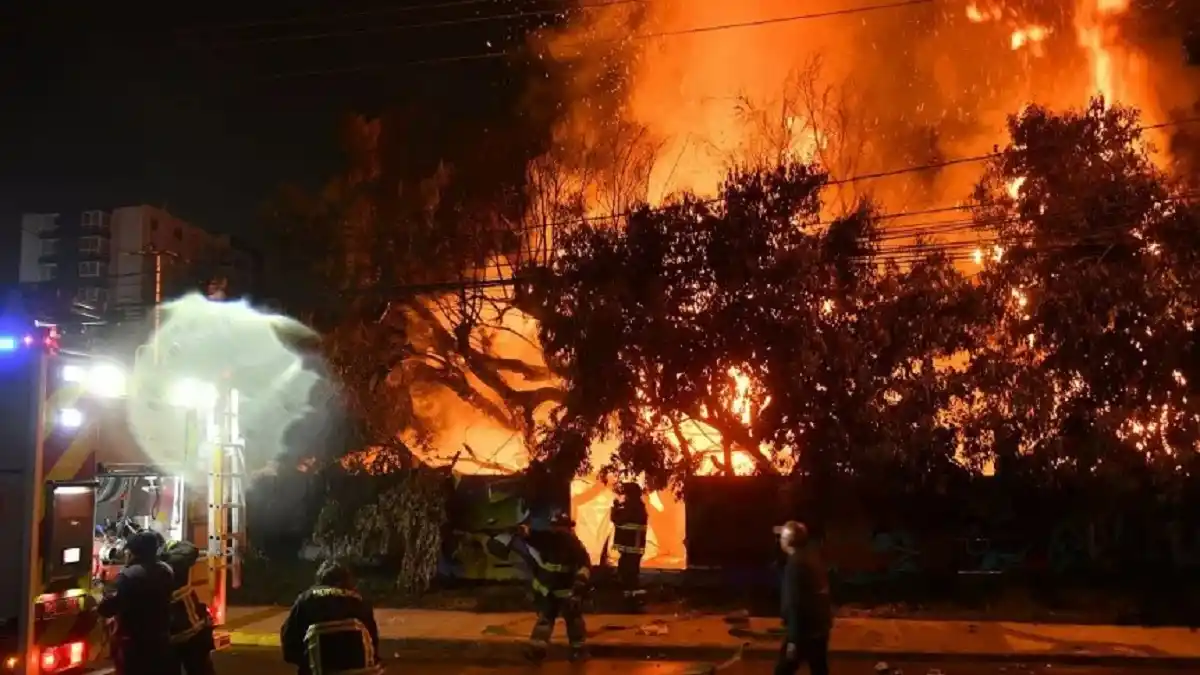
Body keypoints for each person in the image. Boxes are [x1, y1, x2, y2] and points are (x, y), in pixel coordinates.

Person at [489, 510, 592, 662]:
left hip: (566, 592)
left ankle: (578, 651)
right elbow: (532, 536)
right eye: (555, 526)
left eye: (560, 527)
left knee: (573, 622)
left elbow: (584, 566)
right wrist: (522, 531)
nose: (557, 530)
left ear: (568, 528)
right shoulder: (549, 540)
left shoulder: (573, 545)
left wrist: (578, 587)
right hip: (549, 591)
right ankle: (538, 650)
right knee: (546, 621)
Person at [280, 560, 382, 675]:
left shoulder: (305, 601)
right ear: (347, 581)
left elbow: (289, 649)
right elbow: (374, 646)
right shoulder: (360, 602)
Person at [98, 530, 175, 675]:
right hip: (161, 640)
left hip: (135, 645)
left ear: (132, 552)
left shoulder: (128, 576)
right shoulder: (166, 571)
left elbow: (107, 608)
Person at [774, 521, 832, 675]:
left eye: (781, 537)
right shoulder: (812, 558)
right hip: (819, 628)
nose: (779, 540)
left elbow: (795, 603)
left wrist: (793, 639)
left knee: (782, 671)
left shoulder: (795, 565)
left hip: (804, 632)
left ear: (788, 541)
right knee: (819, 669)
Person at [159, 537, 216, 675]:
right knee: (200, 669)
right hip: (191, 630)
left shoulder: (147, 570)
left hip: (176, 634)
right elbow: (190, 549)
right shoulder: (175, 563)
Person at [610, 483, 649, 598]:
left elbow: (618, 520)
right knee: (628, 570)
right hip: (630, 547)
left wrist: (615, 508)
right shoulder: (636, 507)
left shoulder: (633, 508)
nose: (624, 496)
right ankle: (629, 594)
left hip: (631, 546)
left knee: (628, 571)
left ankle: (631, 595)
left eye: (626, 494)